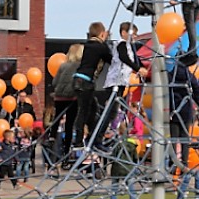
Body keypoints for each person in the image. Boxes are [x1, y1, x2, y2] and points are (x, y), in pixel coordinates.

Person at [102, 22, 148, 147]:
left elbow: (135, 59)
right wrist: (137, 69)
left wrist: (142, 67)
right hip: (115, 81)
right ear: (123, 33)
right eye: (133, 34)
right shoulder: (121, 44)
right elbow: (124, 58)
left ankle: (112, 129)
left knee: (116, 108)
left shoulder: (129, 47)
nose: (134, 36)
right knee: (112, 108)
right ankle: (103, 131)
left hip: (122, 82)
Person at [73, 22, 113, 151]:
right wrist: (107, 41)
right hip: (86, 81)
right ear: (102, 33)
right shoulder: (100, 47)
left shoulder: (88, 44)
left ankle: (91, 137)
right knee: (84, 111)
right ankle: (79, 141)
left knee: (92, 109)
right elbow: (111, 59)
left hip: (78, 79)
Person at [169, 59, 199, 167]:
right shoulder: (189, 76)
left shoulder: (170, 76)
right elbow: (196, 91)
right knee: (185, 138)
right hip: (186, 110)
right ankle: (184, 162)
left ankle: (173, 163)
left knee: (173, 138)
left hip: (173, 110)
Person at [50, 43, 83, 159]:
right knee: (69, 125)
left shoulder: (63, 66)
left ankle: (51, 137)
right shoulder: (80, 66)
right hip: (72, 97)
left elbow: (54, 82)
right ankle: (66, 149)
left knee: (57, 118)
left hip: (59, 96)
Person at [108, 123, 141, 199]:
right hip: (128, 168)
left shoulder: (116, 143)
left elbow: (112, 156)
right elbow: (135, 158)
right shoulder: (132, 143)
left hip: (116, 168)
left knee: (114, 187)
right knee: (131, 189)